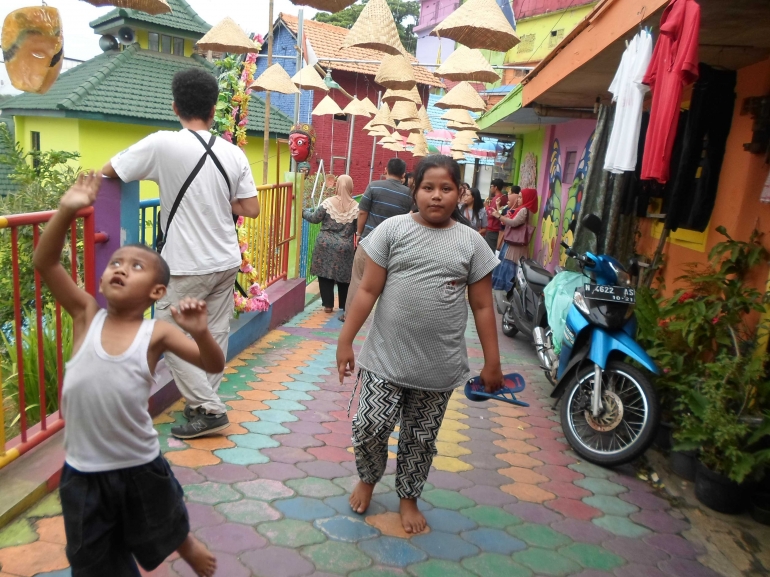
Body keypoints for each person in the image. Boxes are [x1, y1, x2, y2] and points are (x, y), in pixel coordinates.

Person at [33, 171, 221, 577]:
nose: (120, 268)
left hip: (139, 463)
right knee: (92, 561)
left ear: (156, 292)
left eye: (136, 266)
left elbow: (213, 364)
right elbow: (44, 262)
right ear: (102, 279)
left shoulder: (158, 333)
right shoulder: (86, 316)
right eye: (116, 263)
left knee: (160, 519)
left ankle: (182, 542)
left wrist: (201, 331)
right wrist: (67, 212)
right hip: (83, 471)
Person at [337, 155, 504, 535]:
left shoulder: (472, 244)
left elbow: (481, 305)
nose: (436, 196)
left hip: (437, 367)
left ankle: (408, 497)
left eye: (446, 188)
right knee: (369, 425)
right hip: (384, 359)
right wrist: (345, 341)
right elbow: (367, 289)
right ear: (414, 189)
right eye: (428, 187)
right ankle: (368, 476)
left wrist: (492, 363)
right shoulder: (392, 231)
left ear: (460, 193)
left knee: (420, 438)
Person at [102, 68, 260, 439]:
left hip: (186, 264)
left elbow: (112, 170)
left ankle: (209, 409)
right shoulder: (232, 152)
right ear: (212, 108)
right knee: (215, 332)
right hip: (226, 260)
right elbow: (251, 207)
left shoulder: (162, 144)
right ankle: (202, 405)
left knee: (166, 331)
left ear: (175, 106)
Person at [343, 158, 411, 321]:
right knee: (390, 284)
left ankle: (349, 315)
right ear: (403, 175)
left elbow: (362, 212)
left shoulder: (374, 186)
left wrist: (359, 234)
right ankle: (385, 319)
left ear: (386, 169)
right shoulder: (408, 194)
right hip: (394, 246)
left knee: (358, 279)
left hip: (369, 241)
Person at [302, 175, 358, 315]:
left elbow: (315, 219)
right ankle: (344, 306)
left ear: (337, 186)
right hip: (345, 247)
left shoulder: (328, 203)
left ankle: (327, 305)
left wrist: (303, 212)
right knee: (344, 276)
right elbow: (358, 229)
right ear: (351, 186)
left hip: (325, 244)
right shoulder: (356, 207)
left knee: (324, 273)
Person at [492, 187, 538, 296]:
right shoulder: (524, 209)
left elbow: (513, 223)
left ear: (528, 198)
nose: (519, 199)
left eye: (521, 197)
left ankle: (509, 291)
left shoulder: (524, 210)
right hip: (514, 243)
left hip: (515, 245)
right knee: (512, 267)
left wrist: (498, 216)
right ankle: (509, 292)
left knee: (510, 267)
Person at [484, 178, 507, 252]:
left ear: (495, 187)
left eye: (491, 186)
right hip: (498, 227)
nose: (490, 188)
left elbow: (492, 213)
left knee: (489, 251)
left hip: (493, 227)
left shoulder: (496, 198)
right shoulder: (504, 197)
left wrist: (487, 206)